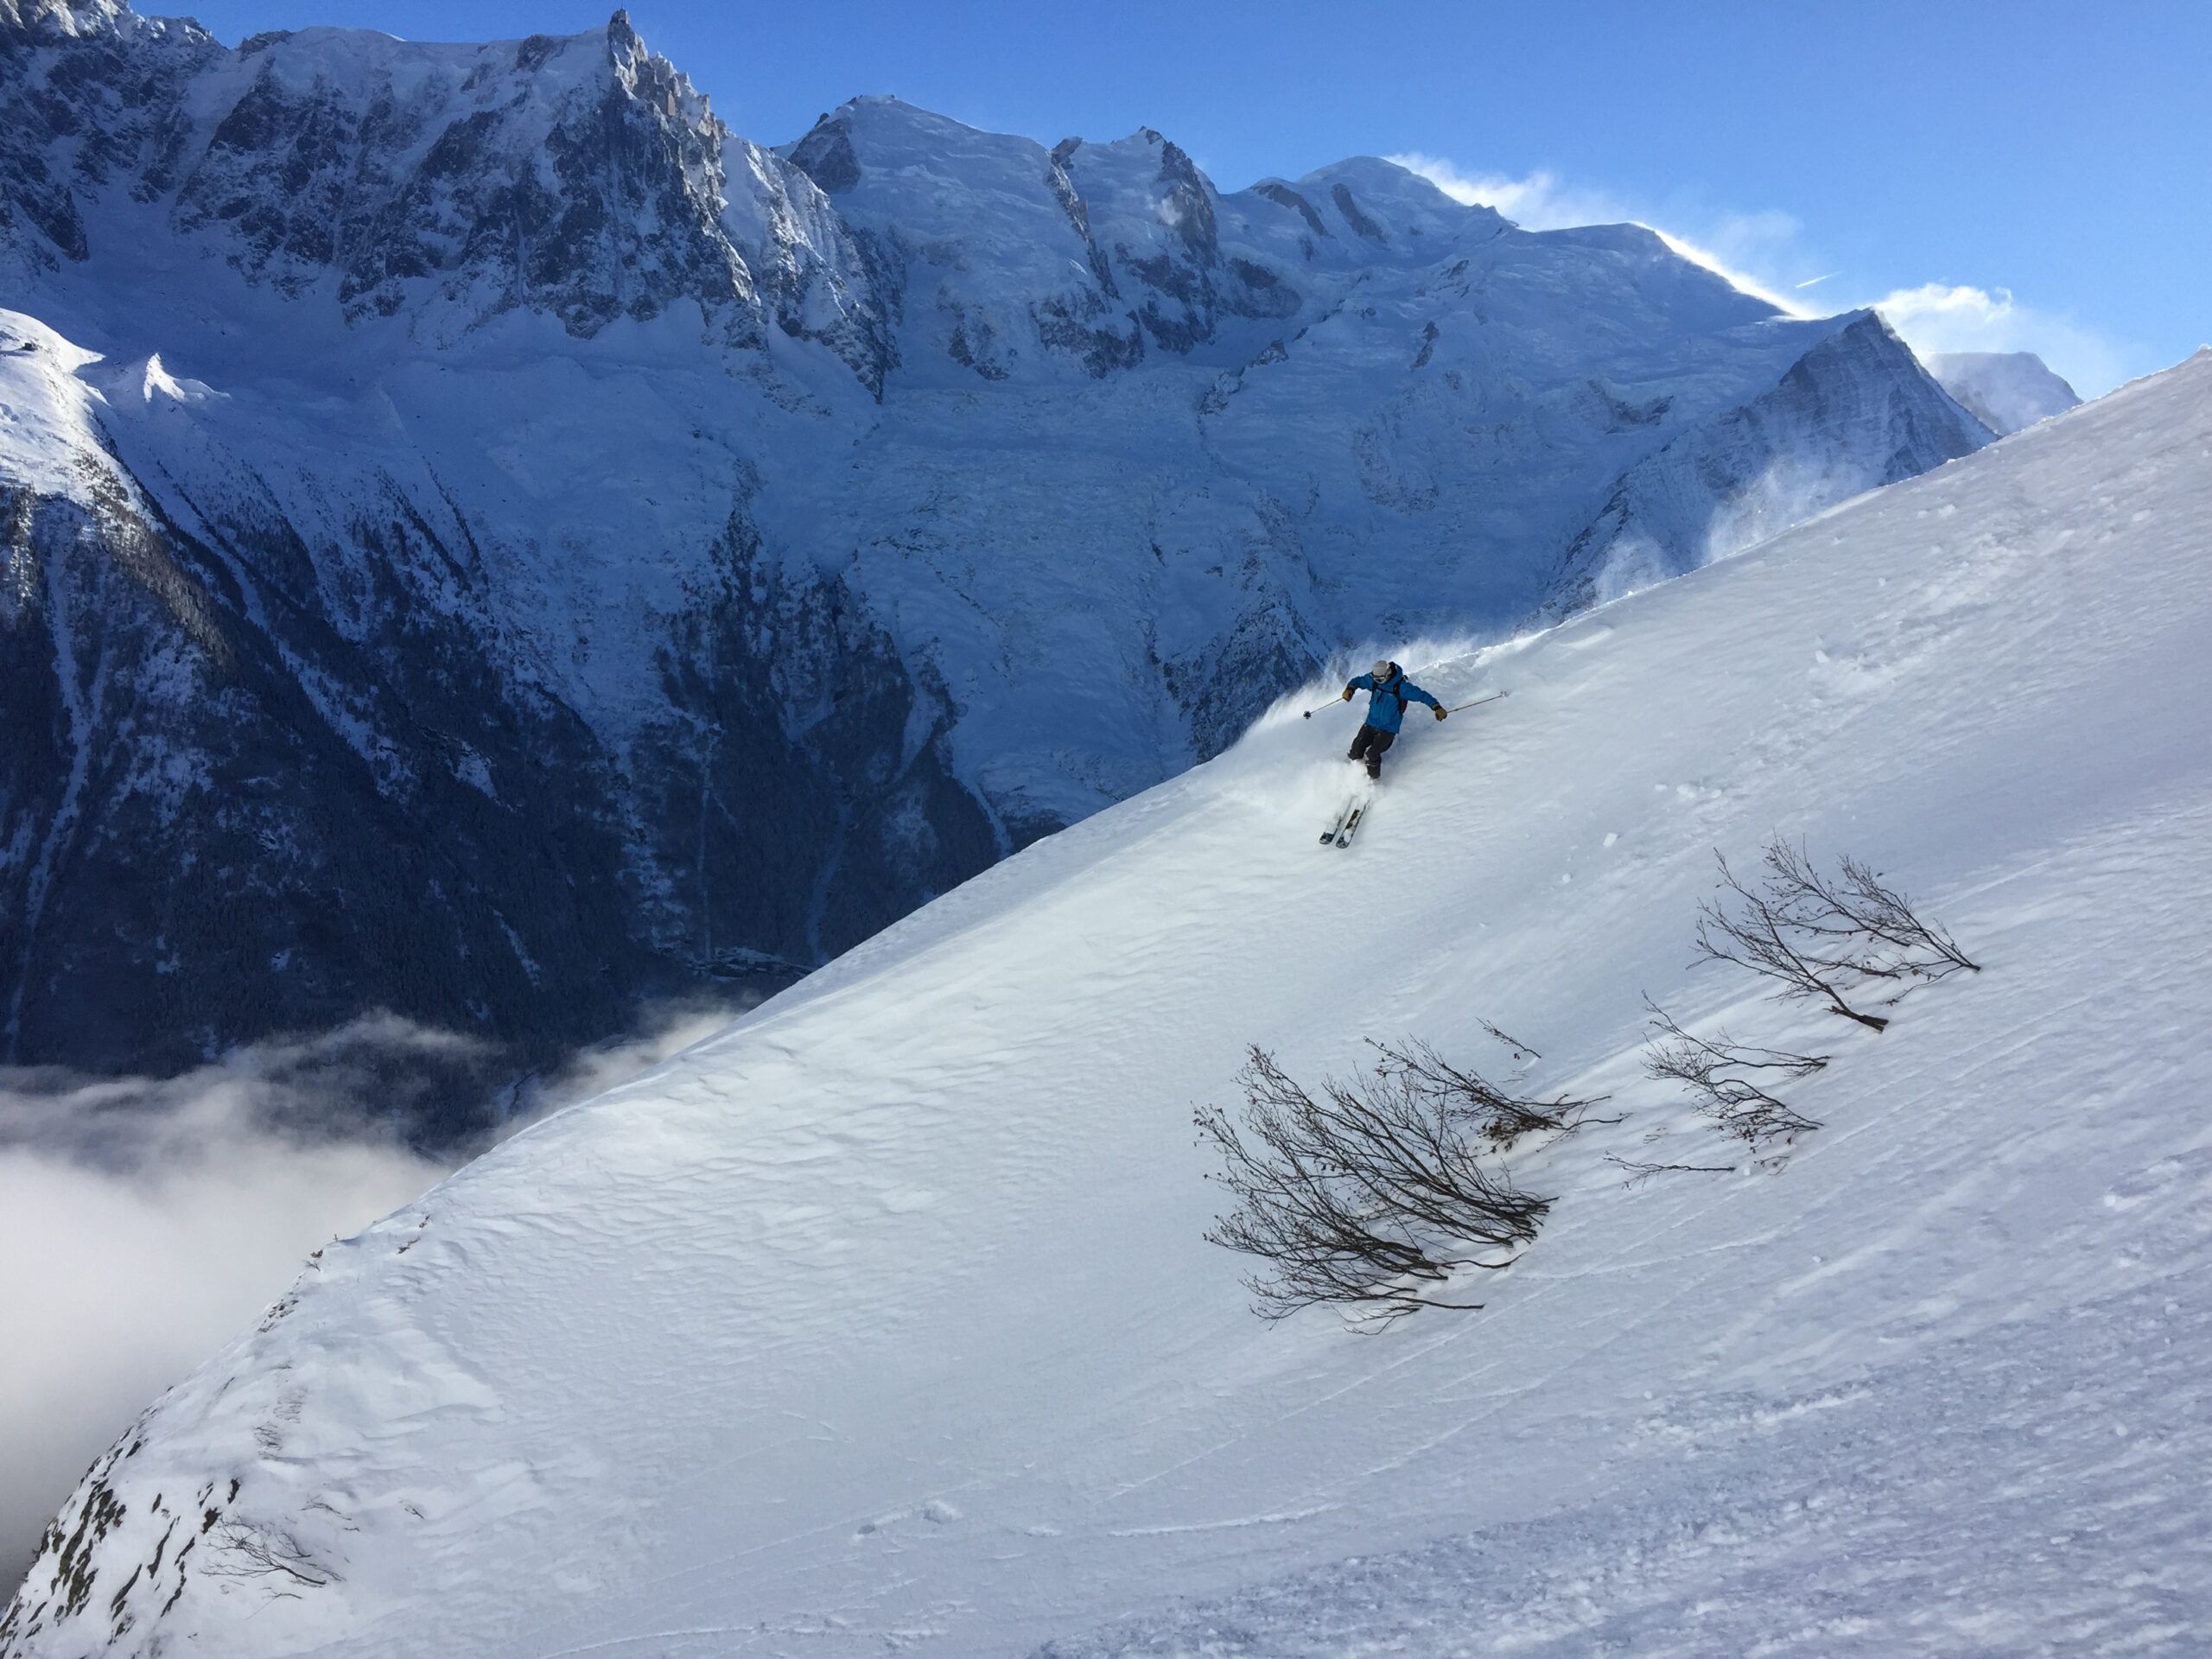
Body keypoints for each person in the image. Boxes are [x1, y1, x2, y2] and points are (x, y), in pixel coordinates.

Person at [1340, 658, 1444, 779]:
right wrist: (1350, 688)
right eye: (1375, 678)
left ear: (1388, 673)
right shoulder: (1375, 681)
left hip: (1388, 729)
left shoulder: (1401, 687)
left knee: (1372, 754)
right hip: (1371, 722)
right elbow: (1358, 681)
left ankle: (1372, 781)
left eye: (1380, 679)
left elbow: (1422, 695)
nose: (1378, 681)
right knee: (1355, 751)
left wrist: (1436, 707)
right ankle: (1352, 776)